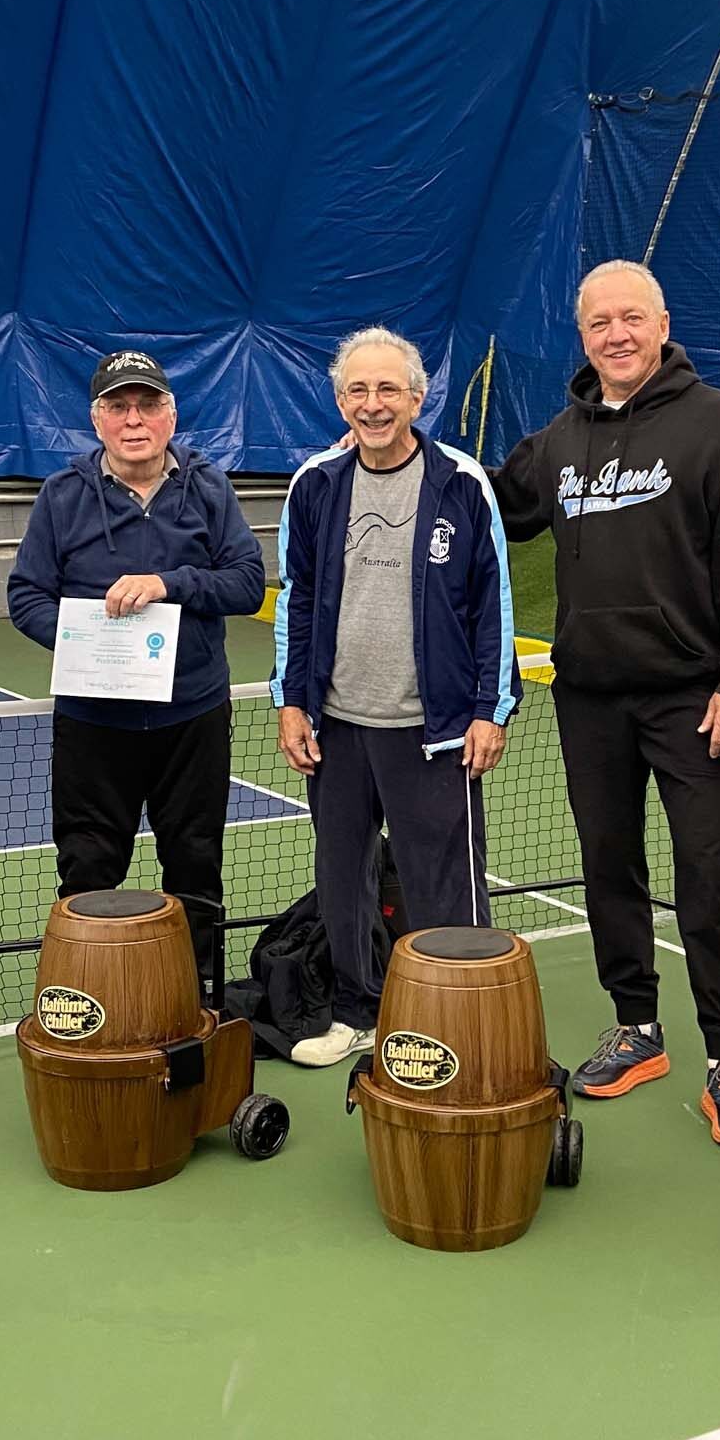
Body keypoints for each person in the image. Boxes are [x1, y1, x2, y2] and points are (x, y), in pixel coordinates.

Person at [493, 260, 720, 1150]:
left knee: (708, 877)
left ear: (661, 324)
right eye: (597, 324)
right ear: (581, 337)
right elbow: (496, 507)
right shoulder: (560, 437)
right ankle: (637, 1029)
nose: (615, 336)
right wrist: (405, 460)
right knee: (608, 868)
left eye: (630, 319)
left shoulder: (714, 422)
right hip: (589, 698)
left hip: (695, 699)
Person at [271, 327, 518, 1068]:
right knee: (341, 878)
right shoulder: (314, 483)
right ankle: (356, 1011)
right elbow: (297, 598)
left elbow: (493, 603)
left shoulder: (462, 483)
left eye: (388, 390)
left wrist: (489, 708)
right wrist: (292, 701)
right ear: (340, 399)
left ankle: (459, 1018)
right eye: (357, 390)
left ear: (417, 397)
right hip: (338, 729)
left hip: (433, 732)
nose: (373, 405)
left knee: (444, 889)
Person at [8, 350, 266, 994]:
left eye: (148, 404)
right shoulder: (62, 497)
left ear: (169, 414)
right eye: (118, 406)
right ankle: (85, 1004)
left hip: (193, 717)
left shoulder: (209, 488)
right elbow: (25, 596)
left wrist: (168, 584)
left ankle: (198, 1003)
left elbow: (245, 581)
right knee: (90, 871)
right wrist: (83, 643)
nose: (134, 419)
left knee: (196, 867)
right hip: (95, 725)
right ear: (97, 419)